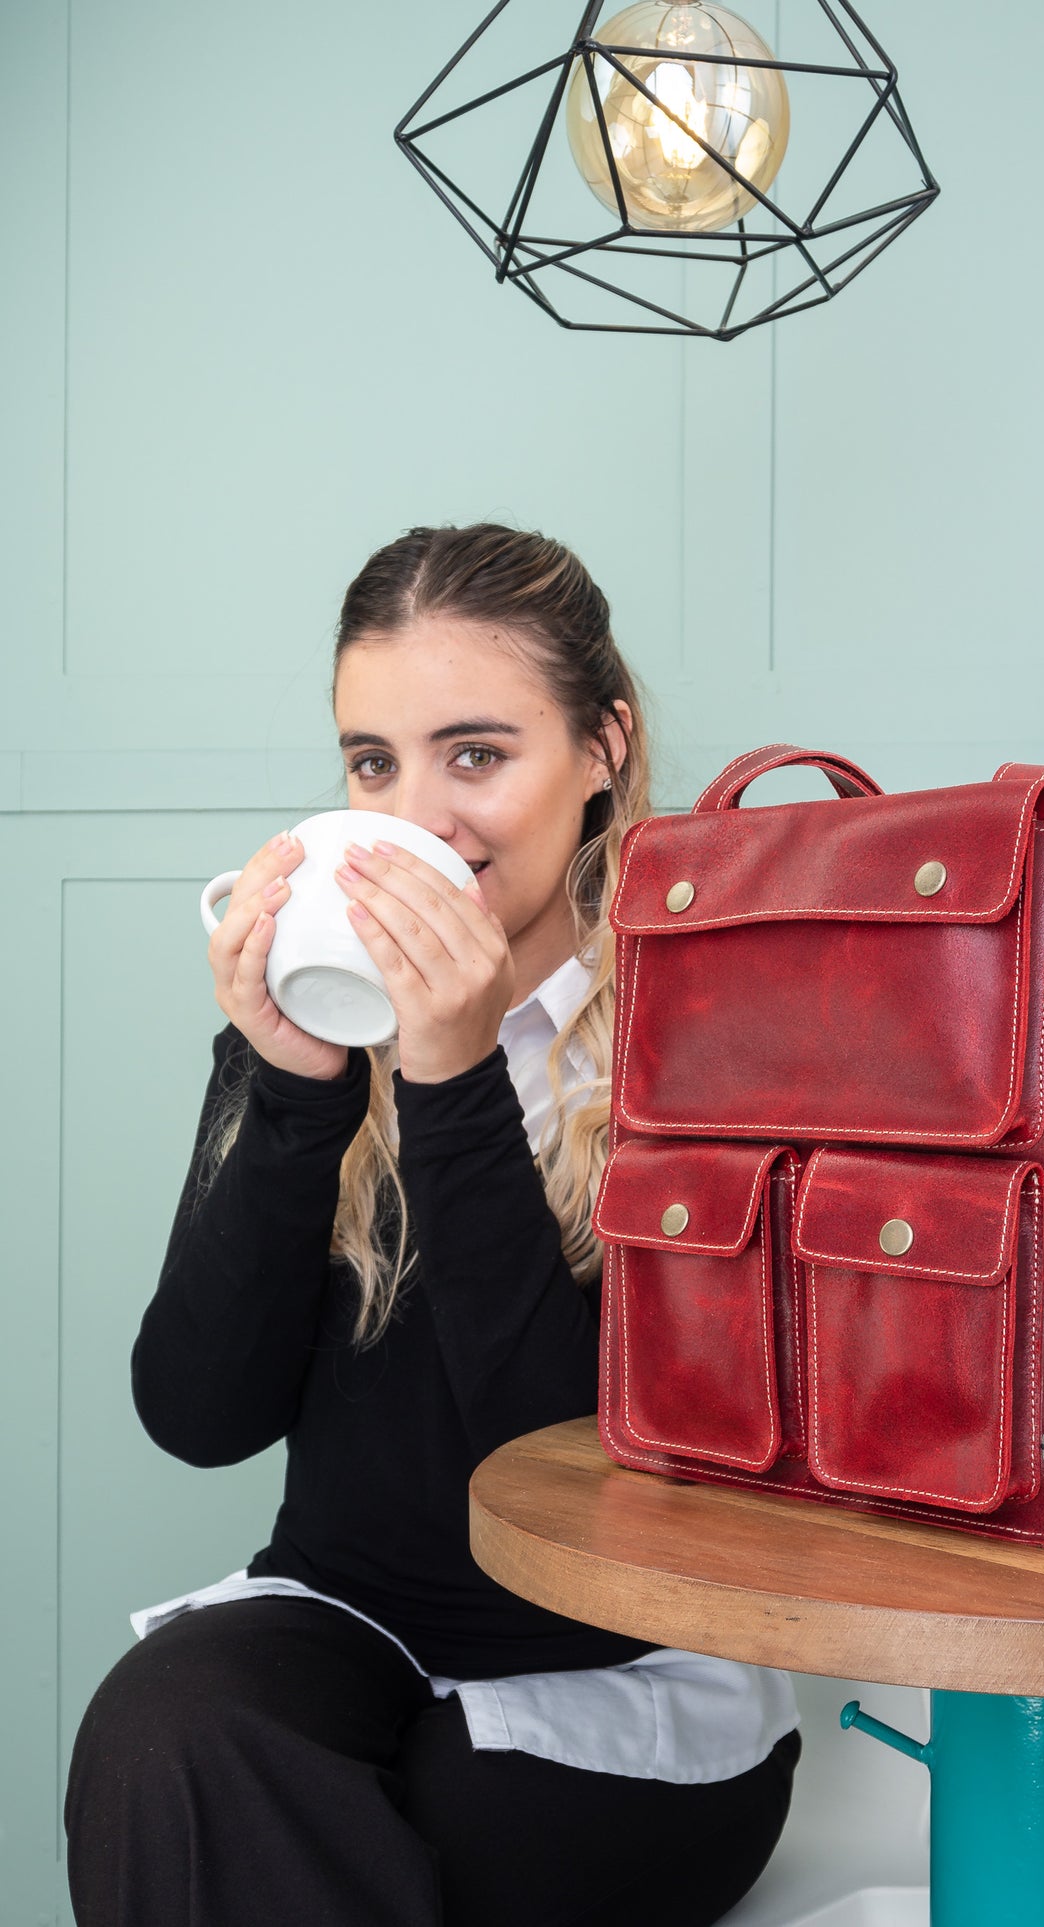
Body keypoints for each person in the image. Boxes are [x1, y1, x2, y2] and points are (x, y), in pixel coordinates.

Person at [65, 524, 801, 1927]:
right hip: (355, 1617)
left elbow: (578, 1491)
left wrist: (456, 1079)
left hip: (627, 1653)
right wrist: (288, 1087)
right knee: (164, 1744)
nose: (418, 817)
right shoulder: (320, 1032)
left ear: (603, 749)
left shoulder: (714, 1035)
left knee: (469, 1815)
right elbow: (200, 1413)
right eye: (372, 764)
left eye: (476, 755)